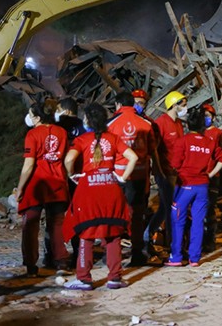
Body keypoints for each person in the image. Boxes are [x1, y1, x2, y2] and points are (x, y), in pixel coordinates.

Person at [63, 103, 138, 290]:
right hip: (111, 188)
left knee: (86, 234)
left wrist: (73, 175)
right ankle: (114, 278)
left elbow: (69, 159)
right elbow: (133, 157)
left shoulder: (82, 140)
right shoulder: (113, 138)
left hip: (88, 190)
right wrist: (122, 177)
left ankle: (84, 278)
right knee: (113, 234)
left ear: (87, 120)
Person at [167, 105, 222, 267]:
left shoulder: (183, 141)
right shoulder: (209, 142)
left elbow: (174, 165)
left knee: (178, 220)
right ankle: (194, 258)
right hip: (203, 186)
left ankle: (177, 257)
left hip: (185, 185)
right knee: (198, 222)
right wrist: (211, 173)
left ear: (188, 125)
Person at [17, 102, 70, 277]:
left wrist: (20, 188)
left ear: (38, 118)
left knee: (30, 224)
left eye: (31, 115)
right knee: (56, 225)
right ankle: (61, 262)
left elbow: (28, 165)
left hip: (36, 185)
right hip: (57, 182)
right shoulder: (62, 132)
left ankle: (31, 265)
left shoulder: (32, 134)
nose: (29, 118)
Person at [107, 91, 159, 266]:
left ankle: (113, 255)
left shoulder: (111, 124)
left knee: (115, 214)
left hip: (118, 177)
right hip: (139, 176)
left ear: (118, 105)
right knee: (137, 215)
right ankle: (137, 253)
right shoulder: (145, 123)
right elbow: (153, 149)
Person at [145, 90, 187, 254]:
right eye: (183, 105)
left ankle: (147, 235)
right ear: (174, 105)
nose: (186, 108)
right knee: (170, 208)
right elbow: (155, 149)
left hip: (175, 172)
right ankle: (172, 245)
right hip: (164, 171)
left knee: (164, 207)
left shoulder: (179, 124)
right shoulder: (161, 123)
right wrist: (160, 171)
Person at [51, 96, 86, 268]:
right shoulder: (84, 127)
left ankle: (53, 255)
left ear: (65, 110)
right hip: (79, 178)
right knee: (77, 215)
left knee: (55, 217)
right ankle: (79, 253)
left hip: (59, 177)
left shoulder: (56, 127)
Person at [201, 104, 222, 251]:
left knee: (210, 208)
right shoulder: (197, 132)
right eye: (203, 116)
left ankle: (210, 239)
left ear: (213, 117)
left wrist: (216, 169)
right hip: (199, 175)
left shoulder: (217, 133)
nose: (205, 119)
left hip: (212, 175)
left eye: (208, 116)